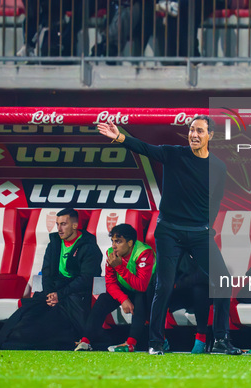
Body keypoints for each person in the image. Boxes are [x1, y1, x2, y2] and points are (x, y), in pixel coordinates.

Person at [97, 114, 241, 355]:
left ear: (210, 136)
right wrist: (120, 137)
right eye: (192, 130)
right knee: (163, 286)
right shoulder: (174, 154)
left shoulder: (218, 167)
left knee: (223, 282)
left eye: (200, 131)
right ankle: (155, 343)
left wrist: (209, 225)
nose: (194, 135)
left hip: (199, 233)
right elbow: (145, 148)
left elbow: (215, 200)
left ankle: (221, 340)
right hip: (169, 232)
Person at [0, 208, 102, 350]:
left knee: (49, 325)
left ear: (75, 226)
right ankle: (7, 342)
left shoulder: (89, 247)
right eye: (57, 224)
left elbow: (86, 279)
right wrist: (50, 294)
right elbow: (47, 272)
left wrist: (60, 295)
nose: (59, 229)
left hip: (76, 297)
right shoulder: (54, 243)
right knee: (26, 313)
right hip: (53, 293)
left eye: (63, 224)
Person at [74, 223, 155, 352]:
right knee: (103, 298)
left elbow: (142, 285)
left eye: (118, 241)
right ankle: (85, 341)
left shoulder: (144, 252)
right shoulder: (111, 253)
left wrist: (119, 267)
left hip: (149, 291)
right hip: (126, 289)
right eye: (112, 241)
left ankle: (131, 344)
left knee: (140, 298)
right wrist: (123, 299)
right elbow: (110, 283)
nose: (113, 246)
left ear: (129, 243)